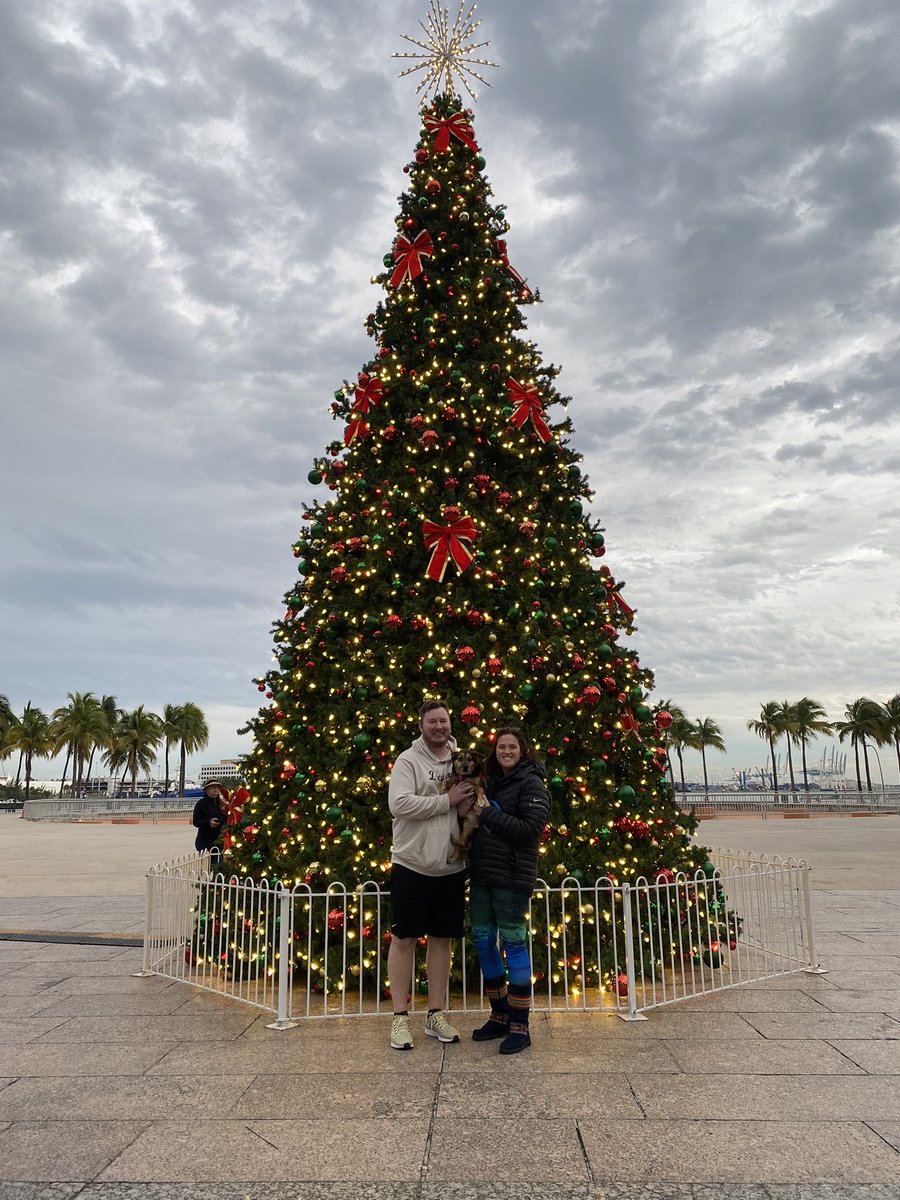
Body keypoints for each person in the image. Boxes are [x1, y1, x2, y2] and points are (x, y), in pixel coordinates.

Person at [386, 700, 474, 1051]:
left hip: (451, 868)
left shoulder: (461, 759)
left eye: (444, 721)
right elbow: (400, 804)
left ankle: (435, 1013)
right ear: (422, 725)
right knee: (404, 940)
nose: (439, 727)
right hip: (412, 865)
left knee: (442, 940)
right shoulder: (408, 761)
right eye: (433, 722)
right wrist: (446, 800)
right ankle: (399, 1018)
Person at [468, 727, 550, 1054]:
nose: (506, 751)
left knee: (514, 945)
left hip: (512, 877)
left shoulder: (532, 783)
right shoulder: (489, 781)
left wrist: (488, 813)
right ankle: (499, 1016)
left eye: (511, 746)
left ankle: (520, 1025)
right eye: (501, 746)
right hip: (483, 877)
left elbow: (531, 830)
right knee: (484, 943)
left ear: (522, 750)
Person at [191, 780, 230, 857]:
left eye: (217, 788)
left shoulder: (223, 803)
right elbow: (196, 822)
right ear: (207, 789)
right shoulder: (201, 804)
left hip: (221, 840)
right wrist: (209, 823)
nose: (216, 789)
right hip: (205, 840)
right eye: (213, 787)